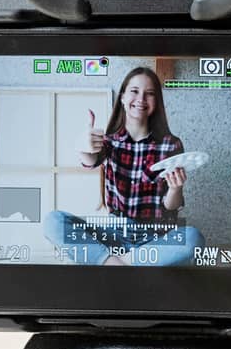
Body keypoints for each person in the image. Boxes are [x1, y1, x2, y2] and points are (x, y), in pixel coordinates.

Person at [43, 66, 202, 266]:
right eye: (134, 91)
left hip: (154, 238)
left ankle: (117, 263)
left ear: (157, 101)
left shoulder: (171, 144)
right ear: (123, 98)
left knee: (193, 238)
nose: (141, 99)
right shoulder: (109, 141)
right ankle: (113, 262)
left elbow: (171, 206)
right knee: (53, 221)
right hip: (113, 234)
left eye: (150, 93)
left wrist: (176, 188)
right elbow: (90, 160)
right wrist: (84, 146)